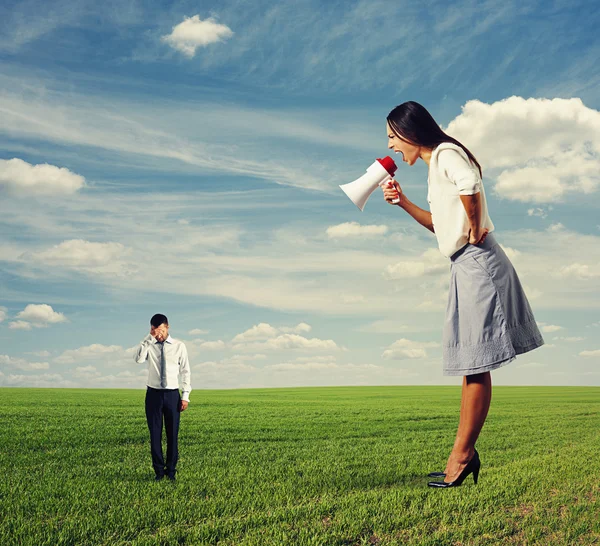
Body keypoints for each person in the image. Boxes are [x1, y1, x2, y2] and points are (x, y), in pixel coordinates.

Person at [382, 101, 544, 488]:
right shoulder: (434, 167)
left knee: (475, 363)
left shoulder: (445, 154)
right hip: (464, 263)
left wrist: (473, 227)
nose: (390, 146)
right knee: (473, 362)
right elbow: (440, 226)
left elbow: (470, 185)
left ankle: (462, 456)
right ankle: (462, 455)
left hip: (477, 261)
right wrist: (403, 202)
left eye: (392, 137)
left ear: (409, 132)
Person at [134, 313, 191, 481]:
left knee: (172, 435)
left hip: (173, 395)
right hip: (153, 395)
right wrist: (148, 338)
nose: (157, 334)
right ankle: (159, 472)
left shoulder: (179, 346)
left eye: (160, 330)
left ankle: (171, 471)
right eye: (154, 330)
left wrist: (185, 395)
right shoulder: (149, 344)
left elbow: (185, 371)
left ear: (167, 327)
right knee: (155, 435)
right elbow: (138, 359)